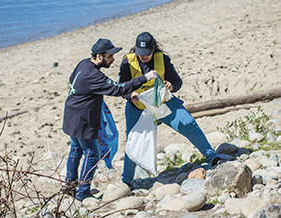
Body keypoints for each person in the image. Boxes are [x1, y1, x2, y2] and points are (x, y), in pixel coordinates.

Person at [119, 32, 232, 188]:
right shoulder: (128, 62)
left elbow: (177, 82)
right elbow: (121, 87)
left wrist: (171, 86)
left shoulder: (162, 59)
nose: (143, 57)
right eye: (140, 54)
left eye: (146, 54)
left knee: (188, 123)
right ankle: (127, 181)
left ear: (153, 49)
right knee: (134, 141)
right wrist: (130, 95)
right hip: (137, 106)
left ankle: (212, 157)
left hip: (162, 102)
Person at [62, 38, 157, 201]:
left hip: (71, 113)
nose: (112, 59)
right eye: (109, 56)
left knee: (76, 149)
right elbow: (118, 89)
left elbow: (72, 79)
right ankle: (83, 191)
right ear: (99, 57)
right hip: (82, 119)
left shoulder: (83, 63)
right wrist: (145, 77)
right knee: (92, 153)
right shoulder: (93, 75)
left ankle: (69, 186)